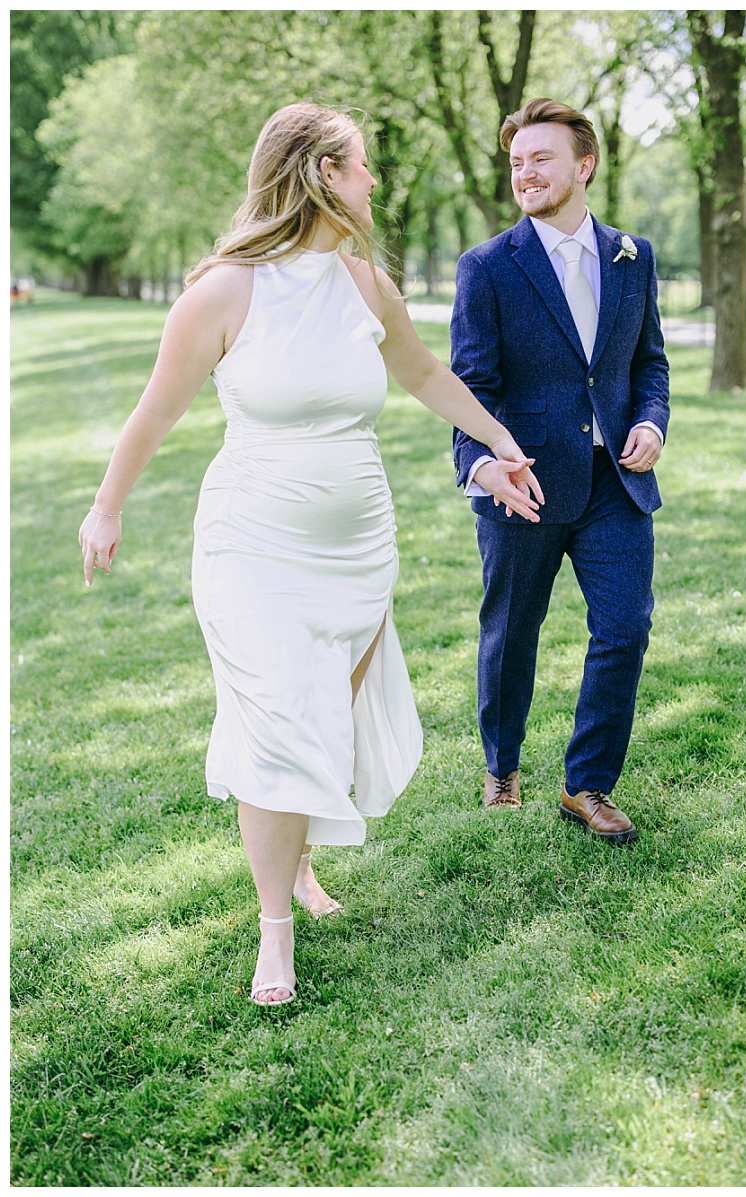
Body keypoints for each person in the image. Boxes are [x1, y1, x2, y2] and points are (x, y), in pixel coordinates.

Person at [78, 103, 543, 1008]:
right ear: (323, 173)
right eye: (362, 165)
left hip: (359, 543)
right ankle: (275, 938)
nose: (374, 182)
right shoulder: (224, 290)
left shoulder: (365, 285)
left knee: (323, 714)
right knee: (278, 722)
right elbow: (156, 410)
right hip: (253, 541)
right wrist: (105, 506)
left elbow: (423, 375)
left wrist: (500, 444)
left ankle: (298, 869)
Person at [449, 98, 669, 840]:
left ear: (583, 165)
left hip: (616, 483)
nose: (525, 171)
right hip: (527, 481)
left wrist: (650, 420)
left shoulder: (632, 256)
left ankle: (589, 784)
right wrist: (484, 466)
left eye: (541, 157)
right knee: (512, 631)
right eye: (517, 161)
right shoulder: (486, 268)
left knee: (625, 628)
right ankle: (502, 766)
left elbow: (650, 363)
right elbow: (469, 386)